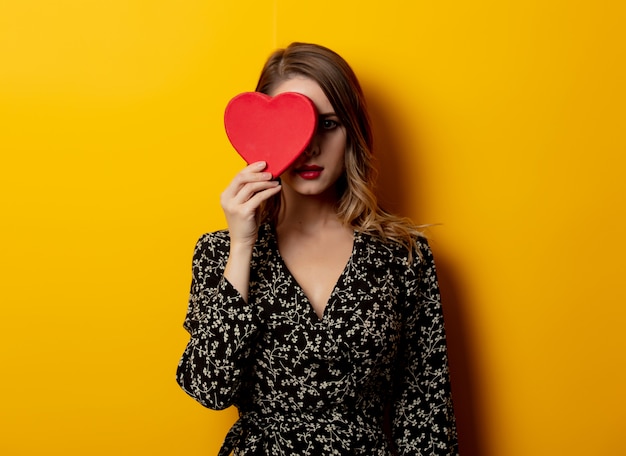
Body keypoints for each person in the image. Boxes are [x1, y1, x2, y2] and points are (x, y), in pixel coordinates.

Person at [177, 42, 458, 455]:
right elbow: (209, 387)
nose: (309, 147)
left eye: (327, 124)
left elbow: (426, 412)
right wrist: (242, 244)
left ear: (352, 132)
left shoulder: (403, 257)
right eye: (294, 127)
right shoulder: (221, 252)